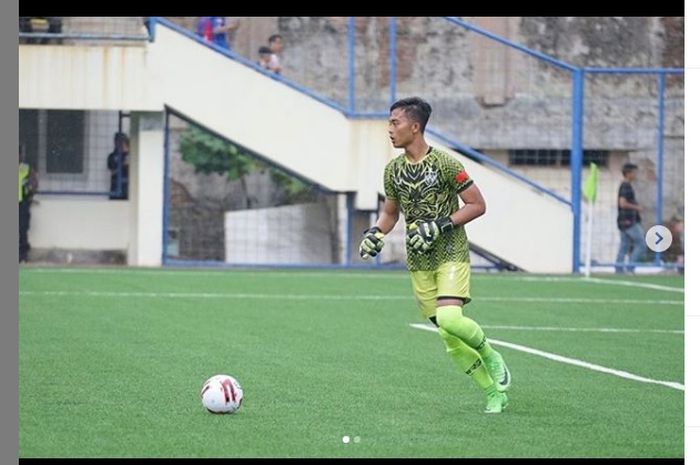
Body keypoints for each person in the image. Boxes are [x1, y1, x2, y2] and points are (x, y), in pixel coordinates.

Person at [359, 97, 511, 413]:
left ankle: (490, 354)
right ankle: (493, 394)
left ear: (415, 127)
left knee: (449, 317)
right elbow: (390, 213)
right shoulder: (393, 170)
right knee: (449, 338)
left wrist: (440, 225)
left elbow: (477, 205)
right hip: (418, 261)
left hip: (450, 251)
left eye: (395, 122)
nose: (389, 129)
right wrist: (375, 233)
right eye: (389, 122)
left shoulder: (446, 164)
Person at [615, 163, 645, 273]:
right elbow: (622, 203)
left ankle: (618, 269)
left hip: (623, 220)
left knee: (624, 245)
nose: (636, 175)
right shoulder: (626, 186)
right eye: (634, 173)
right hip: (628, 220)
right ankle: (630, 267)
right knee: (641, 244)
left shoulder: (625, 185)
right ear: (628, 174)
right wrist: (637, 207)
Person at [19, 146, 38, 263]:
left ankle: (23, 255)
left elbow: (34, 183)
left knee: (22, 229)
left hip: (22, 203)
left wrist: (31, 192)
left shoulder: (27, 169)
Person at [107, 132, 129, 200]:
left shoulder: (131, 155)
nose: (119, 143)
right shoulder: (112, 156)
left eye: (122, 141)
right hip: (116, 188)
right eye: (117, 141)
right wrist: (123, 164)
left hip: (128, 189)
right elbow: (113, 171)